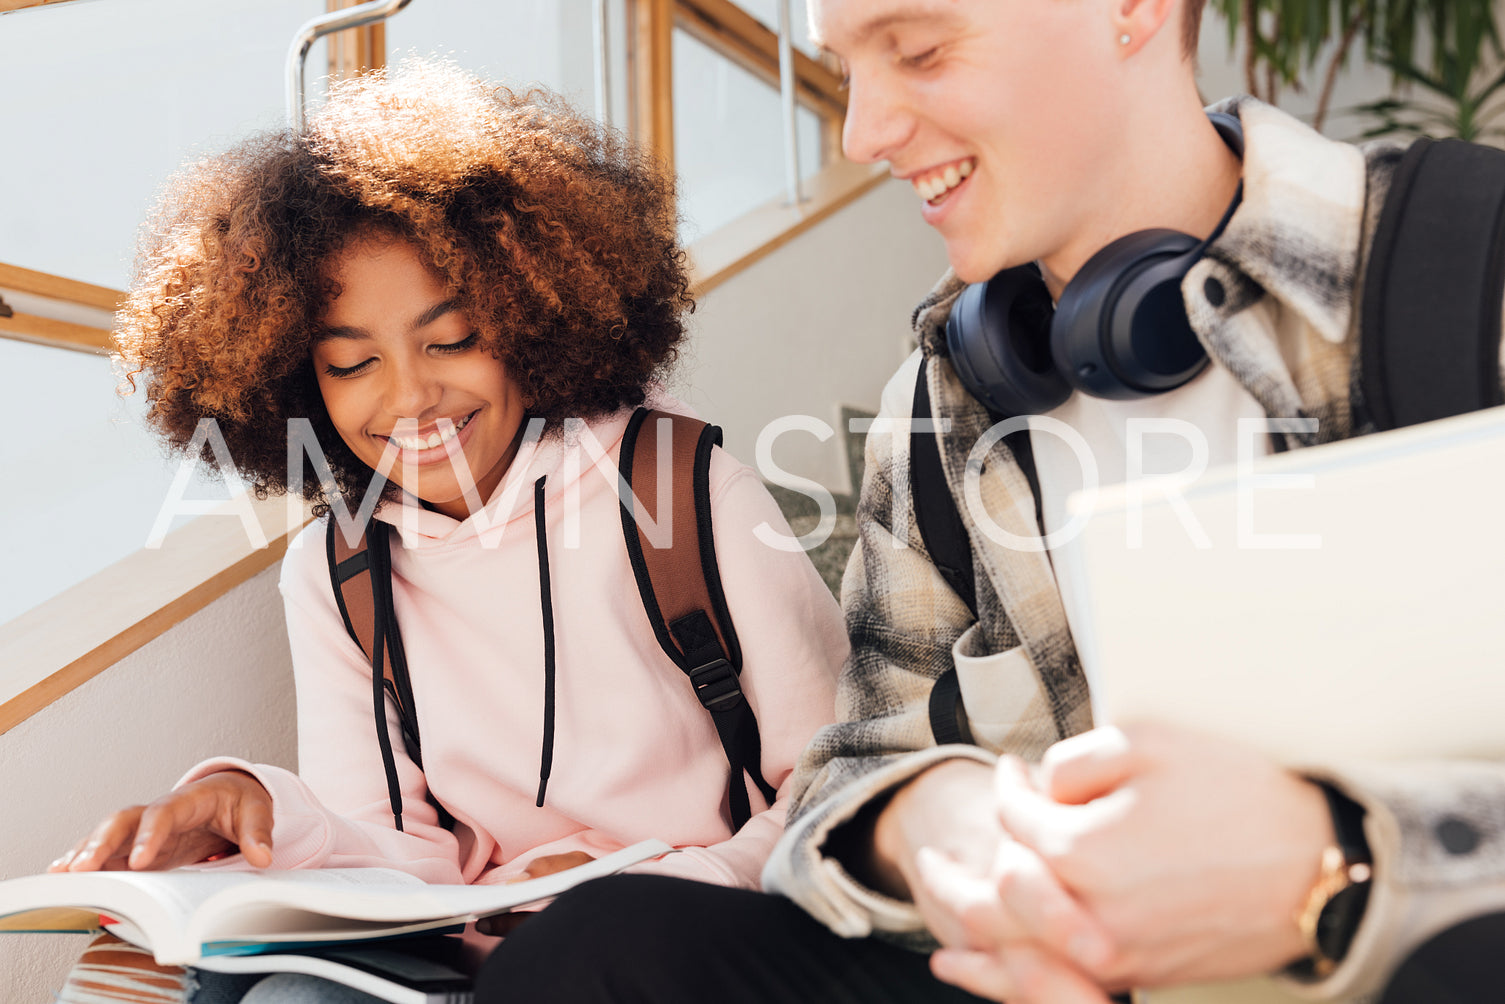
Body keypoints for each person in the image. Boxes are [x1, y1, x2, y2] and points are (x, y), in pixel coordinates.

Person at [474, 1, 1505, 1002]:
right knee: (601, 950)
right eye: (842, 69)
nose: (863, 130)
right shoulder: (940, 403)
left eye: (916, 49)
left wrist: (1332, 868)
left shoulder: (1468, 271)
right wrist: (935, 825)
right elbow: (857, 764)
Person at [49, 59, 846, 1004]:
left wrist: (655, 895)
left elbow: (835, 783)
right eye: (353, 363)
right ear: (300, 384)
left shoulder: (687, 489)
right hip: (466, 953)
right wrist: (254, 803)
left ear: (532, 316)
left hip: (677, 941)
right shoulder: (337, 568)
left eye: (452, 340)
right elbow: (392, 849)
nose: (410, 397)